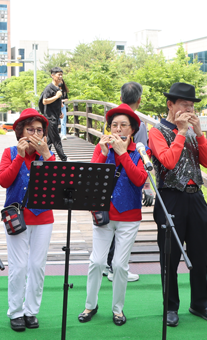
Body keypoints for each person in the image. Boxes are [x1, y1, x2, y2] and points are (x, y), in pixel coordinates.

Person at [150, 82, 207, 327]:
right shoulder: (157, 131)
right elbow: (168, 162)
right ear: (171, 105)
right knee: (169, 254)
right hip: (170, 196)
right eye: (184, 105)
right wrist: (181, 132)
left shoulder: (193, 130)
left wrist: (199, 133)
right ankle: (170, 306)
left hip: (196, 196)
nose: (189, 109)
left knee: (201, 253)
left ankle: (200, 303)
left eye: (192, 105)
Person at [80, 104, 148, 327]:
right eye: (114, 125)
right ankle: (90, 304)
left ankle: (118, 309)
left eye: (123, 126)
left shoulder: (138, 152)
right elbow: (91, 177)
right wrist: (101, 152)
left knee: (120, 265)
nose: (118, 130)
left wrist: (122, 154)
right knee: (97, 261)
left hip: (129, 216)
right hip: (104, 214)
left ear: (132, 130)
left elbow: (139, 180)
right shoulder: (102, 149)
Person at [0, 108, 58, 332]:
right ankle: (15, 311)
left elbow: (58, 185)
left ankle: (31, 310)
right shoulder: (10, 152)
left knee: (36, 266)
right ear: (20, 132)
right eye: (29, 129)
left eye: (39, 130)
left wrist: (47, 155)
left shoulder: (47, 155)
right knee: (19, 266)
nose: (34, 134)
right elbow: (4, 181)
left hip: (43, 217)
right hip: (16, 216)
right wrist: (19, 158)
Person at [40, 67, 69, 161]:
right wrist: (57, 96)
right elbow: (45, 101)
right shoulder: (49, 88)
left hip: (55, 116)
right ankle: (64, 158)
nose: (60, 76)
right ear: (52, 76)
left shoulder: (57, 88)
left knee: (49, 140)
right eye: (58, 74)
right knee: (56, 139)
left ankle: (43, 157)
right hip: (50, 117)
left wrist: (60, 112)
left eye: (61, 74)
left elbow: (56, 103)